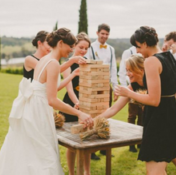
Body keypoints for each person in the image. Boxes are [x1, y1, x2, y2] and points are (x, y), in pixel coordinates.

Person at [0, 28, 93, 175]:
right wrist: (79, 113)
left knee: (29, 153)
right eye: (70, 46)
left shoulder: (46, 59)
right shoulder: (53, 63)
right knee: (44, 156)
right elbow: (52, 100)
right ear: (61, 43)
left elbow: (52, 79)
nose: (71, 50)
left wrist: (71, 63)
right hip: (39, 112)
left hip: (32, 109)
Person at [112, 26, 176, 175]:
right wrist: (170, 106)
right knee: (160, 166)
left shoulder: (151, 61)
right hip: (172, 118)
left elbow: (154, 100)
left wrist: (128, 93)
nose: (137, 51)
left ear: (146, 43)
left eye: (138, 46)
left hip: (158, 121)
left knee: (153, 171)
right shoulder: (170, 57)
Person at [60, 32, 92, 175]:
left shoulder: (88, 62)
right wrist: (77, 103)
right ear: (73, 47)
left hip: (86, 104)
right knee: (73, 143)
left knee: (87, 140)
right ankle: (72, 173)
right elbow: (70, 89)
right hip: (71, 104)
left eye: (86, 48)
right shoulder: (67, 64)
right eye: (81, 47)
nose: (83, 51)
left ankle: (87, 172)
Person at [85, 23, 118, 159]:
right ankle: (92, 149)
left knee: (106, 114)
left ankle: (104, 147)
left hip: (106, 86)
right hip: (94, 85)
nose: (104, 36)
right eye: (102, 33)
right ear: (97, 33)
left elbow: (113, 69)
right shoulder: (90, 47)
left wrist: (115, 87)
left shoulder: (111, 49)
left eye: (106, 34)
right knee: (93, 115)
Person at [118, 46, 143, 152]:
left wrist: (129, 93)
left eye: (130, 70)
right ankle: (132, 143)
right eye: (126, 70)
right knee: (132, 116)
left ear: (140, 69)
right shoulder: (132, 85)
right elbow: (114, 109)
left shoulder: (152, 82)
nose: (127, 74)